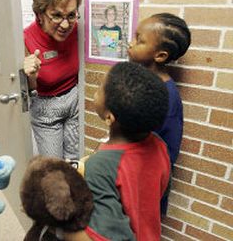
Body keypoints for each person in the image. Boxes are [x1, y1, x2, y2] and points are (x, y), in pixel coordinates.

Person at [64, 62, 171, 241]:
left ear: (109, 117)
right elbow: (162, 188)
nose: (96, 92)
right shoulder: (159, 145)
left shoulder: (99, 167)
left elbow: (105, 237)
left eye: (100, 88)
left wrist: (62, 229)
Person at [127, 13, 191, 214]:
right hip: (128, 176)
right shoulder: (141, 82)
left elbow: (166, 152)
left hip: (145, 185)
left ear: (160, 55)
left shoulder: (167, 97)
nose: (131, 43)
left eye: (139, 40)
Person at [23, 0, 82, 160]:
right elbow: (28, 92)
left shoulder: (77, 30)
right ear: (39, 14)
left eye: (71, 15)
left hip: (75, 100)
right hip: (46, 108)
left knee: (74, 162)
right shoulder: (25, 38)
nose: (65, 25)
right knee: (54, 168)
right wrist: (31, 76)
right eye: (56, 16)